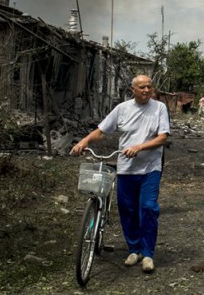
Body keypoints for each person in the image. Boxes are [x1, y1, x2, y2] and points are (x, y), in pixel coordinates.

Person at [71, 74, 170, 273]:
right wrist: (84, 141)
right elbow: (102, 131)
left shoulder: (159, 108)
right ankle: (134, 249)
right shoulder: (122, 109)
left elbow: (162, 138)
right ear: (132, 90)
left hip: (150, 167)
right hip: (126, 168)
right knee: (127, 209)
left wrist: (139, 147)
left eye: (149, 87)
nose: (146, 90)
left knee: (148, 208)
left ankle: (148, 253)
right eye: (142, 87)